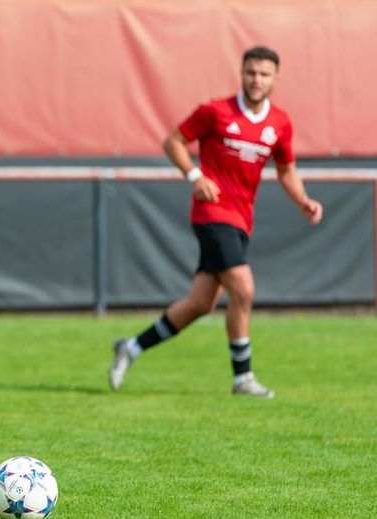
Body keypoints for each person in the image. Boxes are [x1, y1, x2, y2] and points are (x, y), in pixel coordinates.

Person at [108, 46, 323, 398]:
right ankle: (243, 378)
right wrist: (194, 176)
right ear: (241, 73)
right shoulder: (216, 111)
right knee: (244, 287)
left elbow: (286, 170)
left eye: (264, 74)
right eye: (251, 72)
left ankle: (130, 348)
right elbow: (173, 142)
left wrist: (303, 201)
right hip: (211, 213)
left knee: (200, 304)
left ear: (275, 79)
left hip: (241, 220)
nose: (257, 80)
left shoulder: (279, 123)